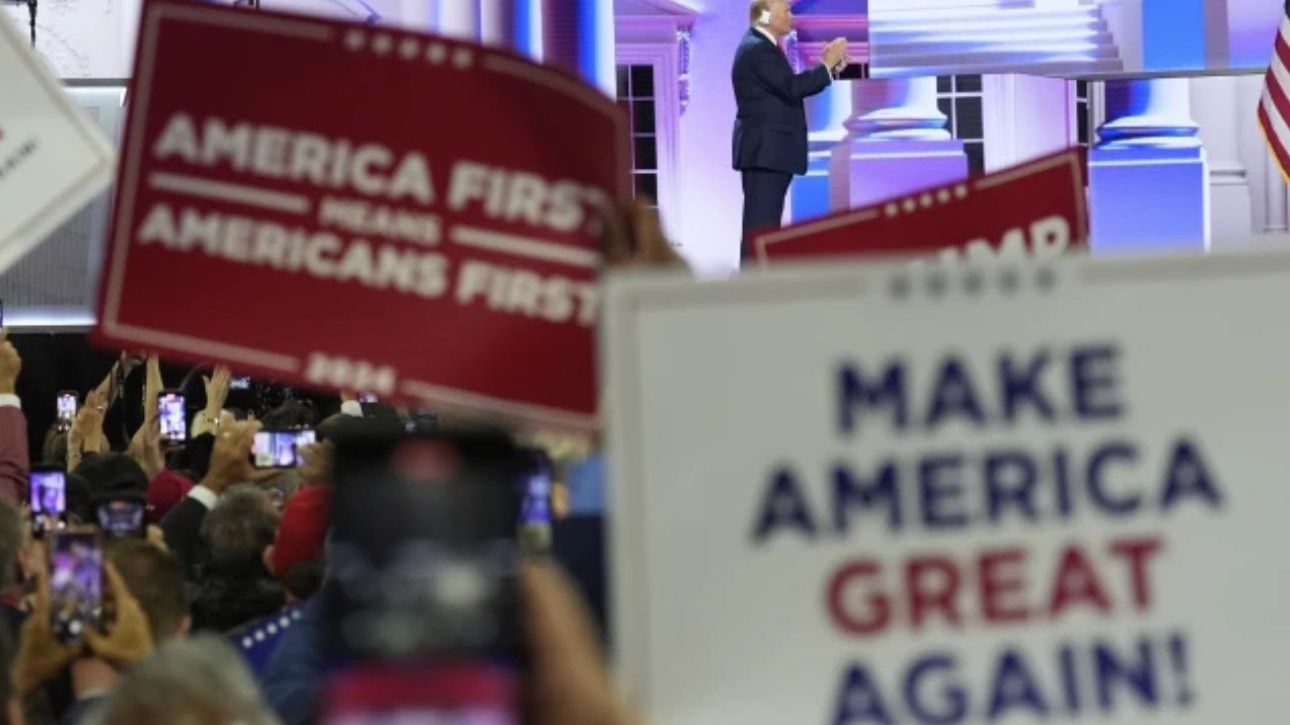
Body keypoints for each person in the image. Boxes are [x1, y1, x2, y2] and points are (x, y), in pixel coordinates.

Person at [731, 0, 847, 265]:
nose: (791, 16)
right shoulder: (757, 50)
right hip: (765, 155)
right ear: (766, 16)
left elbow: (787, 88)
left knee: (763, 229)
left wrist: (828, 70)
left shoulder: (762, 47)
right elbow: (792, 87)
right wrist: (825, 66)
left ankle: (757, 293)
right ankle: (753, 295)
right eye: (786, 11)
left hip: (769, 155)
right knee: (760, 230)